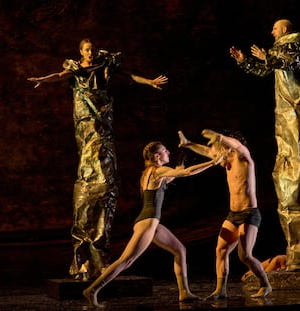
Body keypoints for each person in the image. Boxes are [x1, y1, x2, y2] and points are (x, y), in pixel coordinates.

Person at [27, 38, 168, 280]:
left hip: (102, 116)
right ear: (80, 52)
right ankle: (83, 259)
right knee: (89, 162)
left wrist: (150, 82)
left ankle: (100, 255)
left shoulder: (105, 65)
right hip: (86, 116)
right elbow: (59, 75)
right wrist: (43, 79)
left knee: (103, 167)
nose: (90, 53)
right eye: (86, 49)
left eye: (92, 49)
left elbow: (128, 76)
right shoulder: (76, 69)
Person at [229, 19, 300, 271]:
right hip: (285, 115)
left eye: (274, 28)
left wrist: (266, 57)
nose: (271, 32)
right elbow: (266, 69)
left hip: (296, 112)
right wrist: (244, 61)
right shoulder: (281, 50)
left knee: (298, 167)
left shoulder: (296, 45)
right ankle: (298, 251)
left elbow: (285, 61)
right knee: (286, 171)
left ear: (285, 30)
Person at [83, 140, 223, 307]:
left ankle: (184, 292)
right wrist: (213, 162)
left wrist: (179, 170)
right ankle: (92, 290)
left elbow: (175, 175)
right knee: (126, 261)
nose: (169, 153)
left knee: (179, 250)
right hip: (147, 223)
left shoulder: (151, 172)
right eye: (165, 151)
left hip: (151, 223)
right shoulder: (157, 171)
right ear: (157, 156)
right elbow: (186, 173)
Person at [178, 129, 272, 299]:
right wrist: (189, 144)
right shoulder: (226, 160)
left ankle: (265, 285)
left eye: (217, 150)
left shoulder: (243, 159)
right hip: (233, 215)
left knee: (245, 256)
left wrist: (220, 137)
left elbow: (238, 145)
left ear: (225, 149)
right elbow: (207, 151)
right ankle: (220, 290)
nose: (213, 155)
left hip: (249, 214)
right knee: (220, 250)